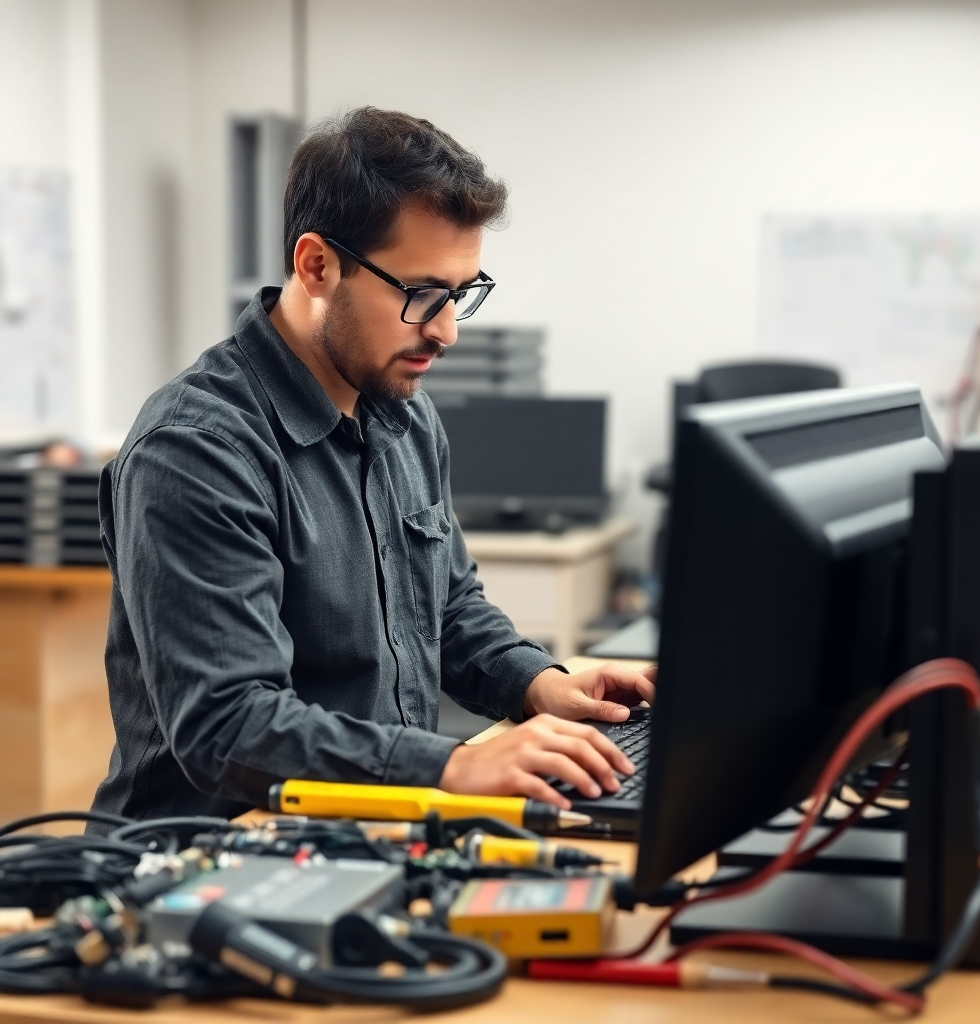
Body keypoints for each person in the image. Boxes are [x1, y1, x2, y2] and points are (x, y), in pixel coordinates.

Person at [92, 107, 655, 824]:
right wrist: (453, 764)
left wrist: (539, 681)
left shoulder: (403, 412)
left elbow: (446, 610)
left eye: (460, 294)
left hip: (382, 829)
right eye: (421, 295)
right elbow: (227, 728)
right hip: (208, 865)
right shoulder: (196, 450)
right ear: (316, 264)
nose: (446, 330)